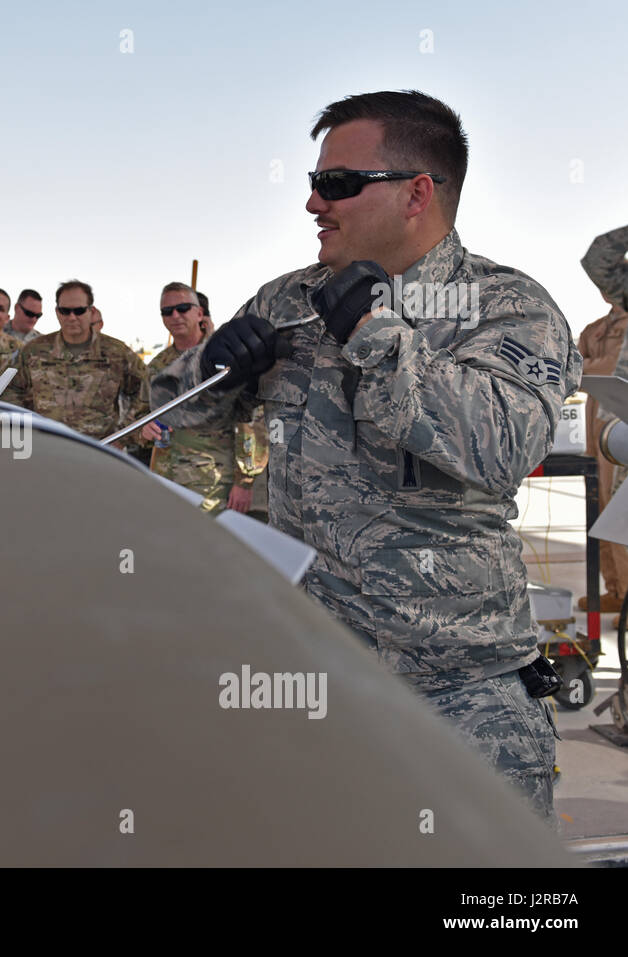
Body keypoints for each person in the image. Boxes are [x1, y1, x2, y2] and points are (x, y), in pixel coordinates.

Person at [155, 90, 579, 819]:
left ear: (418, 193)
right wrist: (208, 372)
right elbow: (176, 421)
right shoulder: (288, 300)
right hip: (309, 686)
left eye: (338, 185)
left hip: (460, 696)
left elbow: (498, 444)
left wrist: (374, 331)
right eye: (315, 183)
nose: (316, 204)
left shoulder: (509, 307)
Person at [147, 283, 252, 514]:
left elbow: (251, 419)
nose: (175, 316)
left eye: (183, 308)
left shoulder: (225, 357)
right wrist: (145, 429)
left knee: (211, 547)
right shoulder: (158, 364)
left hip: (214, 482)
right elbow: (144, 414)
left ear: (200, 313)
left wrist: (245, 480)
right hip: (166, 477)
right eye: (167, 311)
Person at [4, 280, 152, 443]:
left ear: (91, 311)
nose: (72, 317)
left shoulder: (116, 352)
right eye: (65, 311)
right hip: (47, 449)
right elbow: (11, 392)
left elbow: (145, 392)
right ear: (57, 312)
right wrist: (26, 430)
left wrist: (123, 436)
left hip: (100, 451)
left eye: (79, 311)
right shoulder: (34, 351)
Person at [575, 292, 628, 623]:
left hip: (619, 432)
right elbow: (571, 357)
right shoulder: (600, 327)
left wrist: (578, 368)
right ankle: (617, 590)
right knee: (599, 511)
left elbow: (611, 367)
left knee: (619, 516)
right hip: (596, 432)